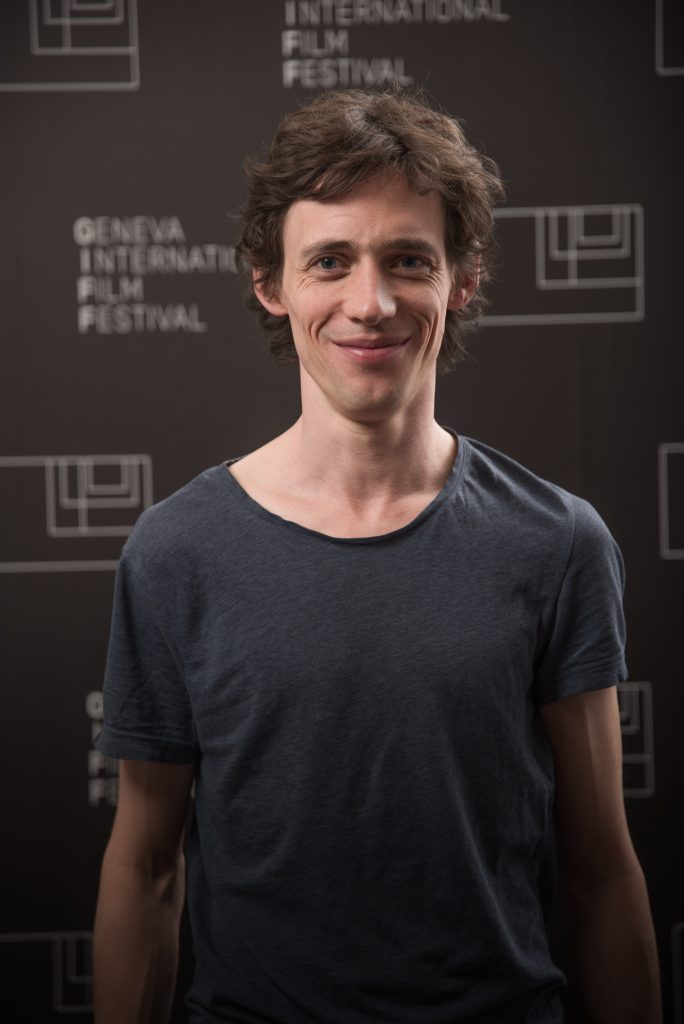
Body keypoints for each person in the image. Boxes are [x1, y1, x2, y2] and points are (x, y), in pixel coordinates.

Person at [93, 88, 662, 1023]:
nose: (372, 302)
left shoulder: (559, 542)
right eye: (330, 261)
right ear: (270, 284)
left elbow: (601, 875)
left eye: (408, 260)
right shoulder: (176, 552)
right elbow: (147, 870)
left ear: (460, 281)